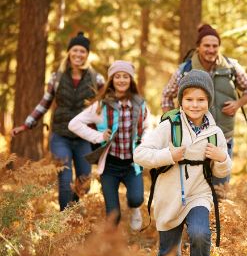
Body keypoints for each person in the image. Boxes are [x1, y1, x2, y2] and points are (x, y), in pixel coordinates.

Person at [135, 69, 232, 256]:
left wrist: (222, 158)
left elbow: (222, 170)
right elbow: (139, 154)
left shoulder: (215, 132)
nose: (195, 105)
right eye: (189, 99)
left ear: (209, 101)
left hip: (199, 193)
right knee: (169, 253)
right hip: (169, 197)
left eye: (201, 99)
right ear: (181, 101)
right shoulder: (169, 126)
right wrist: (169, 155)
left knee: (200, 233)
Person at [11, 32, 105, 211]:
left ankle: (73, 214)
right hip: (60, 136)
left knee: (84, 182)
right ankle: (64, 220)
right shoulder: (57, 77)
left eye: (82, 51)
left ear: (87, 54)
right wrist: (26, 124)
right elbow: (44, 103)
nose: (78, 54)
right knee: (64, 178)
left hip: (84, 137)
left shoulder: (96, 78)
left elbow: (108, 104)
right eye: (75, 50)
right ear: (69, 52)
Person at [161, 24, 247, 189]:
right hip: (191, 138)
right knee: (192, 187)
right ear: (198, 47)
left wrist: (238, 104)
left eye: (215, 46)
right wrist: (173, 122)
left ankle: (219, 214)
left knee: (221, 186)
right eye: (207, 45)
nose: (211, 49)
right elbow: (166, 96)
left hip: (223, 137)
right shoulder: (185, 70)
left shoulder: (231, 67)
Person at [68, 61, 149, 230]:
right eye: (117, 76)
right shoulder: (102, 105)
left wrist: (144, 141)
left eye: (125, 76)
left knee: (136, 199)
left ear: (130, 80)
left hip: (132, 165)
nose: (121, 80)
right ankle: (110, 249)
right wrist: (98, 136)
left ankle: (134, 209)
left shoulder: (139, 103)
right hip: (110, 167)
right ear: (111, 80)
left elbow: (148, 126)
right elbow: (74, 124)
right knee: (113, 215)